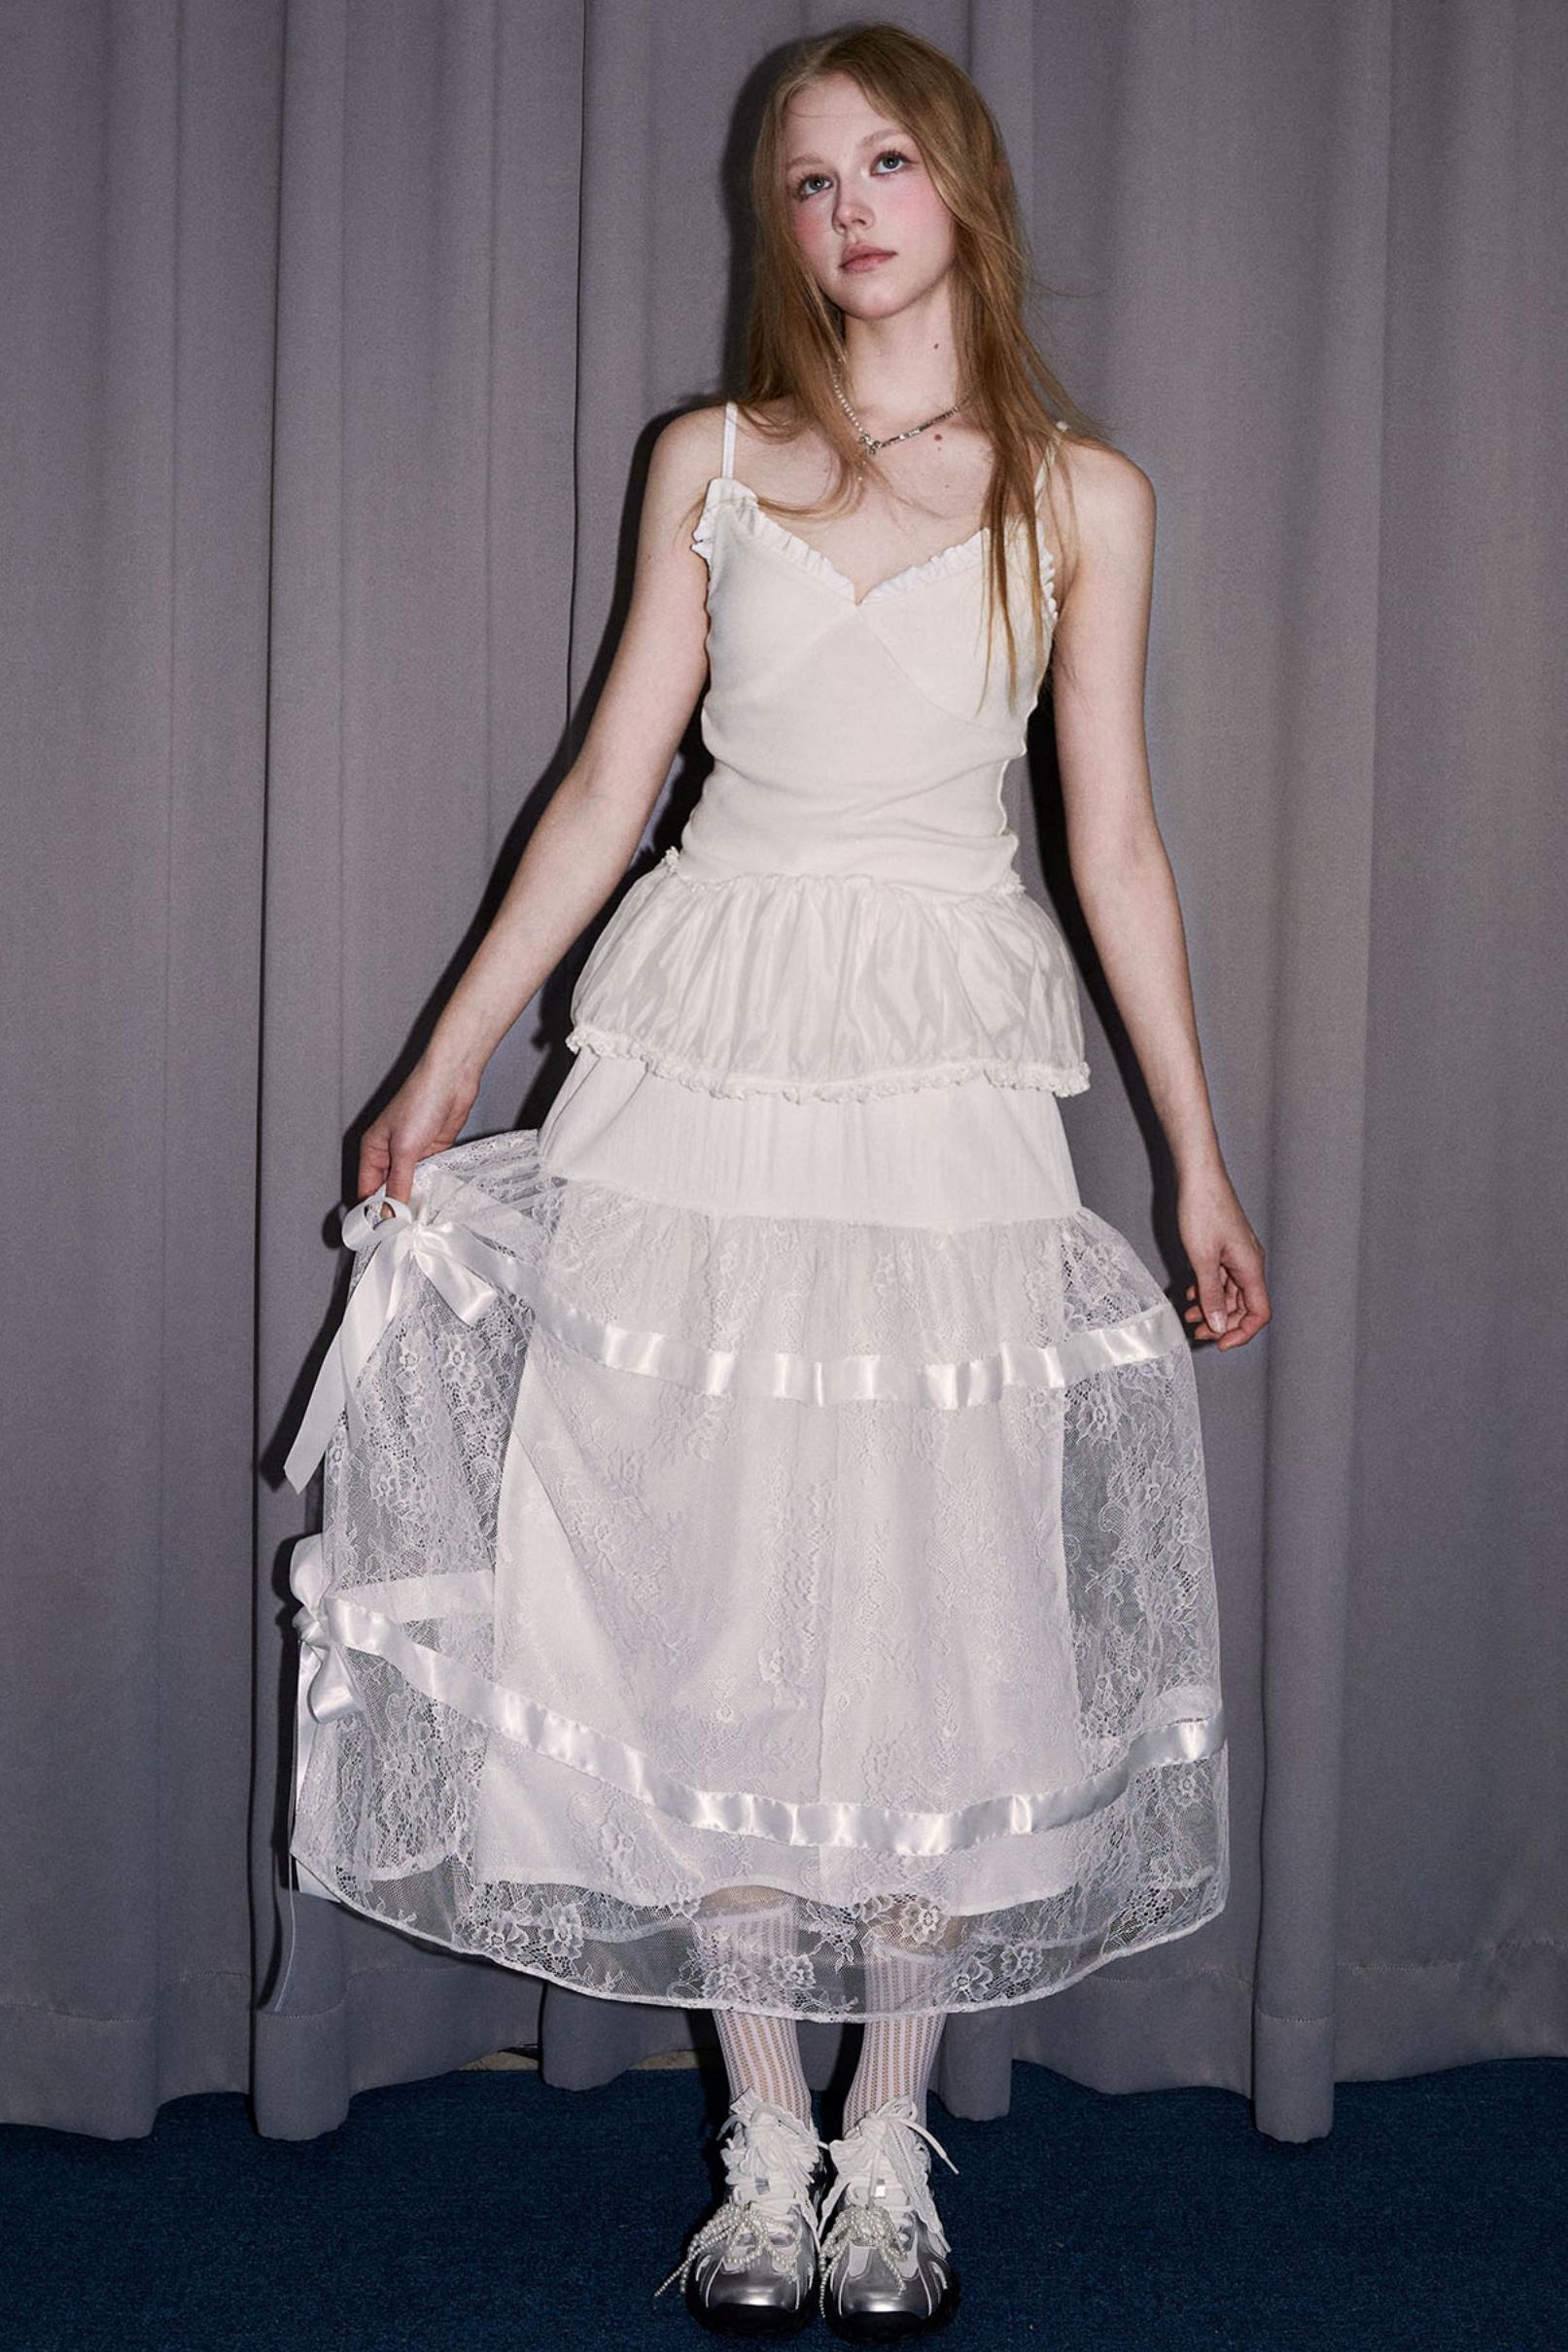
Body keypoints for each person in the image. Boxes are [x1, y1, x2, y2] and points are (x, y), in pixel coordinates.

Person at [280, 20, 1270, 2343]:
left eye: (884, 164)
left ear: (964, 187)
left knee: (937, 1596)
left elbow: (1117, 846)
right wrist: (445, 1056)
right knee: (701, 1584)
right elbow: (608, 785)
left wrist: (1200, 1165)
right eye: (809, 182)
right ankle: (757, 2144)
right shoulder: (711, 459)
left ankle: (890, 2145)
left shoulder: (1086, 495)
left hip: (938, 1072)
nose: (847, 213)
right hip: (698, 1053)